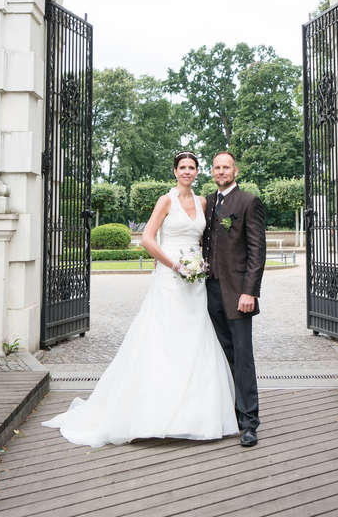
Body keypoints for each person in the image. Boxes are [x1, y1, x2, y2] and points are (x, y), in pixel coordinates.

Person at [42, 150, 238, 447]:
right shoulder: (166, 201)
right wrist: (175, 265)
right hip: (170, 279)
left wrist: (203, 265)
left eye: (192, 167)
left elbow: (206, 239)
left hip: (195, 282)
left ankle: (195, 415)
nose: (187, 171)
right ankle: (153, 413)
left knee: (195, 339)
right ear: (174, 171)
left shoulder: (202, 202)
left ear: (198, 172)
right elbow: (147, 238)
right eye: (182, 167)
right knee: (162, 339)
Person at [203, 150, 266, 448]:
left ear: (235, 171)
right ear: (212, 171)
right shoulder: (209, 202)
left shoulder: (248, 201)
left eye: (226, 167)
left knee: (242, 357)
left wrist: (249, 292)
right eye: (217, 167)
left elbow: (257, 251)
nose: (221, 171)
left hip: (237, 293)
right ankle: (228, 410)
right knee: (221, 354)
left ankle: (249, 421)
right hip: (210, 291)